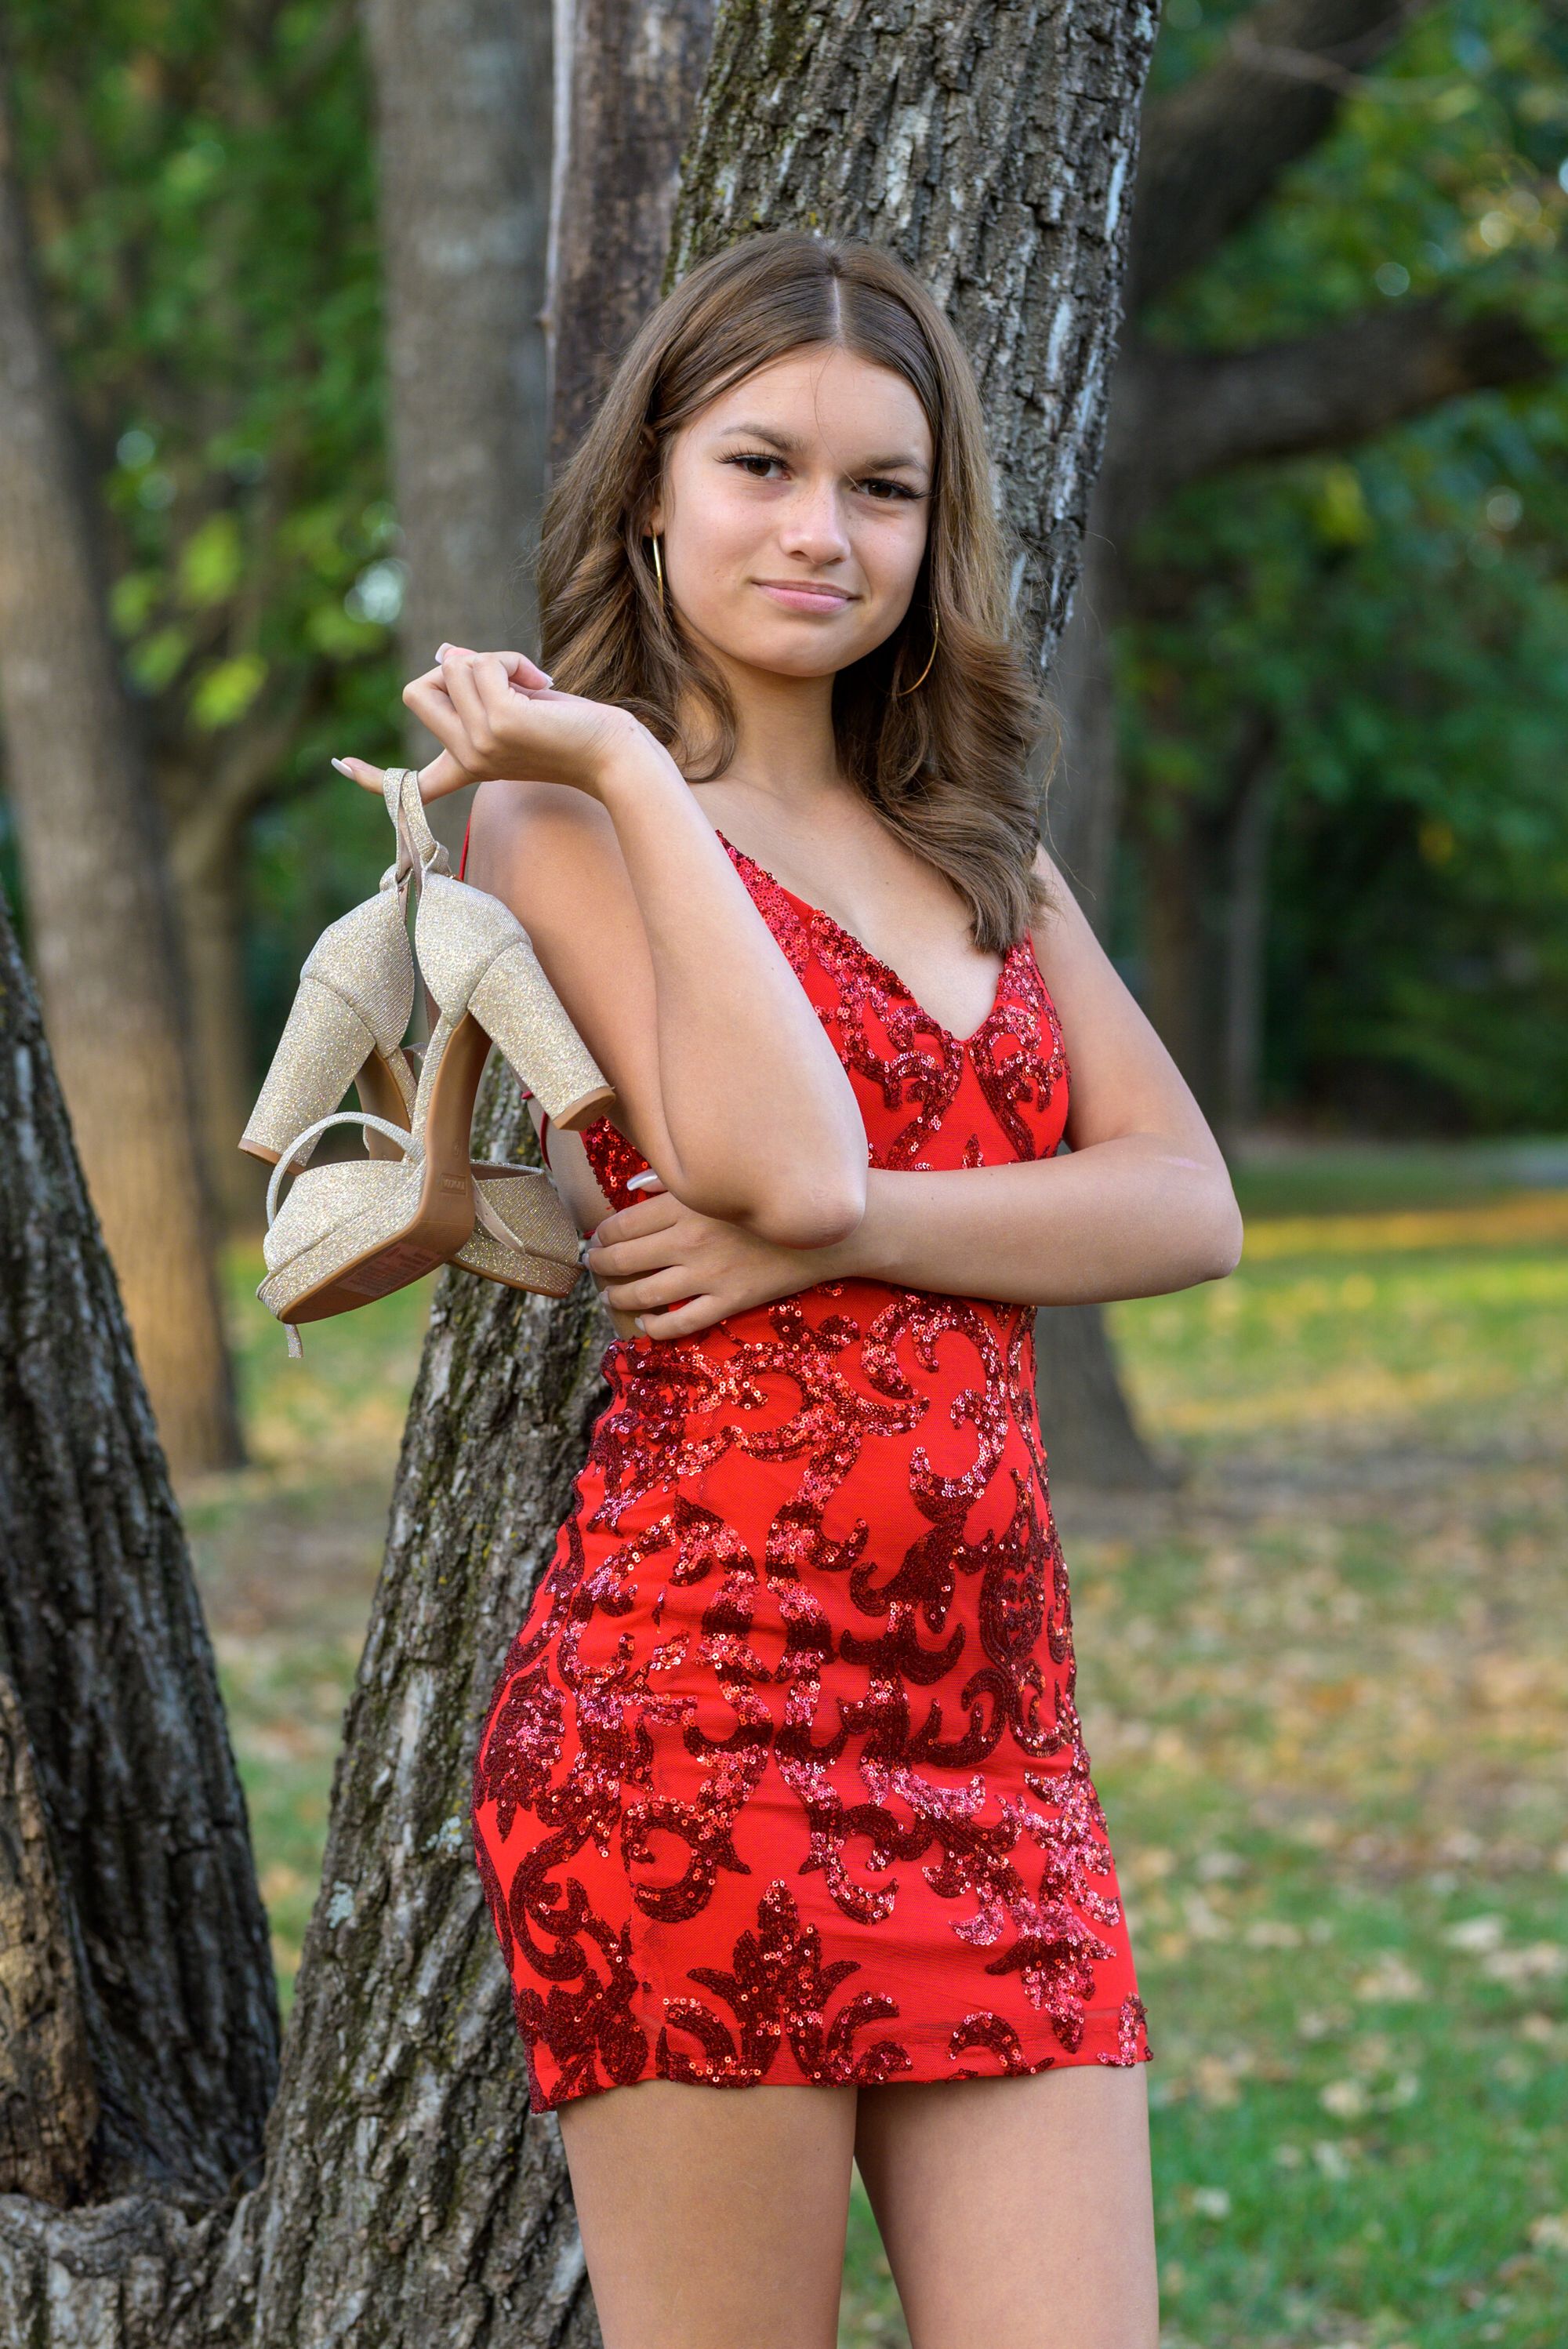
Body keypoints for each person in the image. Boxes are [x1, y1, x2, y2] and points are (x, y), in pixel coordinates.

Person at [339, 231, 1242, 2349]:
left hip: (999, 1749)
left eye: (884, 486)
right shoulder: (567, 830)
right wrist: (645, 770)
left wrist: (850, 1230)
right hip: (697, 1729)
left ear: (939, 535)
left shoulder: (980, 850)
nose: (823, 530)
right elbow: (780, 1153)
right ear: (656, 487)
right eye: (762, 465)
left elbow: (1186, 1200)